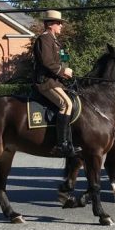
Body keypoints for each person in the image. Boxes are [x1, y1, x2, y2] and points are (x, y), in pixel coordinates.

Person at [32, 9, 80, 157]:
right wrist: (62, 71)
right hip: (46, 82)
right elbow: (46, 62)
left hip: (56, 80)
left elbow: (62, 60)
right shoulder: (44, 39)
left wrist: (67, 69)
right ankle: (61, 144)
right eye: (59, 23)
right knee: (67, 104)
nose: (61, 26)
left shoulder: (55, 41)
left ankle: (69, 140)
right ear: (50, 24)